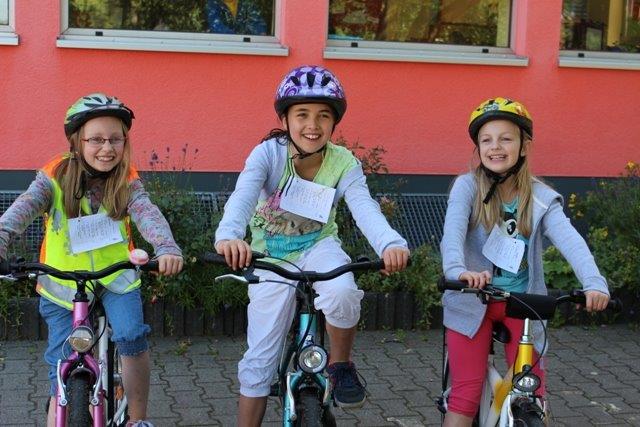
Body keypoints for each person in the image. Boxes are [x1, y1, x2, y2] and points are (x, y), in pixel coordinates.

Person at [214, 65, 410, 426]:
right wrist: (229, 236)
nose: (312, 125)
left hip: (319, 247)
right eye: (302, 114)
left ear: (334, 122)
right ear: (285, 119)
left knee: (343, 292)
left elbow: (365, 208)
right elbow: (242, 197)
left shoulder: (343, 162)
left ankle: (340, 364)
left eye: (323, 116)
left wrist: (390, 244)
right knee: (258, 363)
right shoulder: (267, 155)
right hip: (270, 256)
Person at [0, 93, 184, 427]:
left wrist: (166, 247)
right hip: (62, 285)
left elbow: (147, 213)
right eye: (96, 139)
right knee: (59, 362)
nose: (107, 148)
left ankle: (138, 419)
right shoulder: (53, 177)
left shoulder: (126, 178)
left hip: (116, 278)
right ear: (76, 142)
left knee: (131, 337)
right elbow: (21, 209)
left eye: (116, 139)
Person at [440, 97, 610, 426]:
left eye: (506, 138)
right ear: (478, 147)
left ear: (523, 146)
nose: (495, 147)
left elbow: (571, 241)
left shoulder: (540, 197)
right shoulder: (467, 187)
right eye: (487, 140)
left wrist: (594, 283)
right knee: (465, 395)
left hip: (523, 305)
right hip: (472, 300)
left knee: (532, 394)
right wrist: (458, 271)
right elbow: (452, 234)